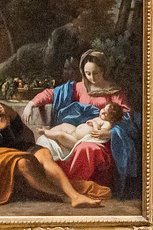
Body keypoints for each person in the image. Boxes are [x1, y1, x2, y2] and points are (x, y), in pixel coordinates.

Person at [0, 72, 104, 208]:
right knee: (23, 162)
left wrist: (12, 115)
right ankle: (64, 196)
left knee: (43, 153)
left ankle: (74, 196)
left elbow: (20, 135)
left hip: (4, 150)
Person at [27, 49, 139, 194]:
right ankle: (54, 182)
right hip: (77, 132)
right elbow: (52, 94)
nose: (91, 77)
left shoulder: (114, 92)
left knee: (85, 149)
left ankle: (74, 186)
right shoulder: (79, 87)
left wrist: (110, 132)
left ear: (103, 71)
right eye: (87, 73)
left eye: (96, 73)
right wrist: (32, 103)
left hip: (100, 139)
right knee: (46, 140)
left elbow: (125, 118)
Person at [34, 101, 123, 162]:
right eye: (103, 109)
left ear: (112, 119)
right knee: (64, 125)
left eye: (105, 113)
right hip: (74, 131)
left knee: (61, 135)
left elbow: (98, 133)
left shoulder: (107, 123)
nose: (102, 112)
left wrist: (94, 123)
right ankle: (49, 132)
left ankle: (45, 132)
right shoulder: (100, 118)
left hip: (76, 139)